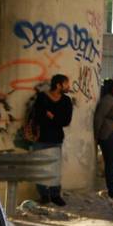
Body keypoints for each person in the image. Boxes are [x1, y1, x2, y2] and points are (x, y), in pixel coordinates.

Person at [33, 74, 73, 206]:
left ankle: (55, 195)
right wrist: (54, 118)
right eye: (66, 84)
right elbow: (37, 117)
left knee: (55, 168)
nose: (69, 86)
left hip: (56, 139)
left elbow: (66, 121)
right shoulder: (42, 97)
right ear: (58, 85)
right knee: (40, 168)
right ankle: (44, 195)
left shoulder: (66, 100)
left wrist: (51, 116)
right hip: (41, 138)